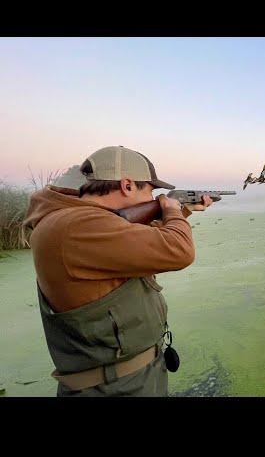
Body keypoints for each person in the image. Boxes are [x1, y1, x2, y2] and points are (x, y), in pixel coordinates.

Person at [23, 146, 213, 397]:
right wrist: (173, 211)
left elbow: (139, 244)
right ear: (127, 185)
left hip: (126, 378)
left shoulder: (79, 221)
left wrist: (183, 211)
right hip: (113, 387)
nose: (154, 198)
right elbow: (179, 250)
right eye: (151, 190)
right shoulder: (76, 225)